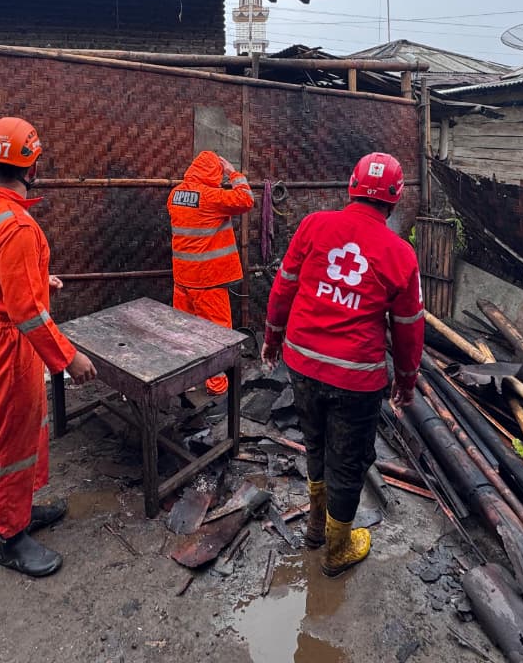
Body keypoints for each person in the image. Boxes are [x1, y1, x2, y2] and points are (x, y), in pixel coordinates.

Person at [262, 152, 424, 577]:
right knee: (349, 461)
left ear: (351, 186)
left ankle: (316, 527)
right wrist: (406, 382)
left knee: (314, 442)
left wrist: (271, 338)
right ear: (393, 199)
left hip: (302, 362)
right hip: (355, 378)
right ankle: (337, 548)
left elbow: (284, 288)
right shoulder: (401, 254)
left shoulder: (314, 225)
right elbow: (408, 329)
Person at [0, 117, 97, 578]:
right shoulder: (17, 225)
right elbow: (27, 314)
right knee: (10, 439)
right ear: (31, 163)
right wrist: (69, 358)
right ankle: (10, 538)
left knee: (27, 427)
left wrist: (36, 282)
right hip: (7, 344)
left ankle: (22, 508)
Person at [166, 150, 254, 395]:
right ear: (214, 173)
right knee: (217, 335)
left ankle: (187, 380)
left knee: (185, 332)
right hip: (208, 281)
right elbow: (246, 200)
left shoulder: (175, 195)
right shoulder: (211, 197)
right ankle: (216, 386)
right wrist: (233, 173)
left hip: (183, 279)